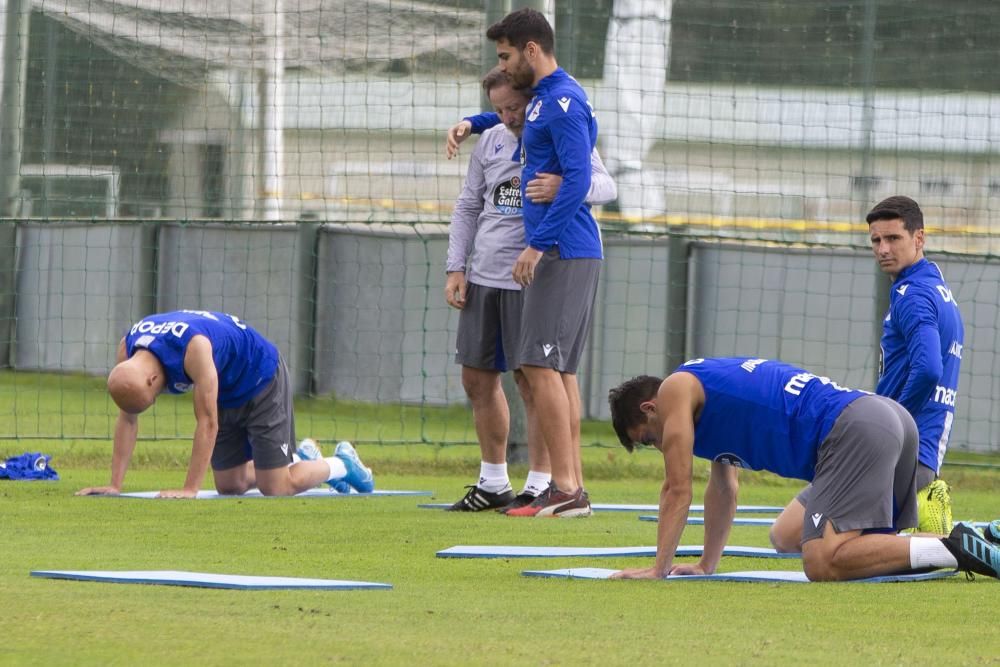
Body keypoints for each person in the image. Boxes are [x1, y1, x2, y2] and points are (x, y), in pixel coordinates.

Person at [607, 357, 999, 581]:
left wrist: (657, 570)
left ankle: (955, 547)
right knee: (786, 534)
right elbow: (724, 487)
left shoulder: (674, 389)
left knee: (821, 561)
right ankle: (985, 538)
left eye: (647, 439)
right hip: (882, 420)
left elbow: (676, 489)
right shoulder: (704, 397)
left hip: (854, 430)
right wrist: (706, 565)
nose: (659, 447)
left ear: (649, 408)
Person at [444, 68, 616, 513]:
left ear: (531, 102)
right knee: (476, 376)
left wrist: (563, 186)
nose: (507, 117)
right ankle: (493, 480)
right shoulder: (492, 138)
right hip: (486, 274)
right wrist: (456, 267)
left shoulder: (556, 126)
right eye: (498, 110)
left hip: (535, 273)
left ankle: (543, 482)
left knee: (535, 379)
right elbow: (467, 206)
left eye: (513, 108)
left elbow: (603, 183)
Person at [770, 196, 964, 551]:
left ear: (918, 238)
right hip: (916, 455)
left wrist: (892, 427)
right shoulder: (937, 286)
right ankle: (955, 536)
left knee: (787, 536)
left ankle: (955, 543)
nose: (883, 249)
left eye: (893, 239)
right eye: (876, 240)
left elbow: (929, 369)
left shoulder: (912, 295)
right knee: (795, 535)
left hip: (891, 456)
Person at [76, 310, 374, 498]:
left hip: (260, 378)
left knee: (277, 487)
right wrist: (114, 484)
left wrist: (189, 489)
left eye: (154, 398)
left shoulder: (194, 349)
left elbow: (207, 422)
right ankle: (299, 459)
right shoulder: (127, 350)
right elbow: (127, 419)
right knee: (230, 485)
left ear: (153, 380)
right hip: (225, 389)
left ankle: (342, 465)